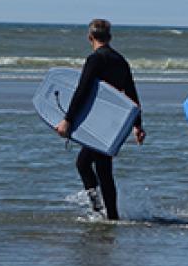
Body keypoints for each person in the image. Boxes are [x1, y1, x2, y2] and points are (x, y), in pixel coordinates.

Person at [56, 19, 145, 220]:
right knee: (89, 164)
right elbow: (132, 95)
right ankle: (104, 211)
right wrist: (137, 125)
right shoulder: (121, 61)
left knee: (96, 167)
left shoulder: (95, 59)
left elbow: (83, 90)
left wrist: (67, 120)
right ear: (110, 37)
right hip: (112, 122)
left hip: (97, 121)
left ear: (90, 37)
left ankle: (106, 214)